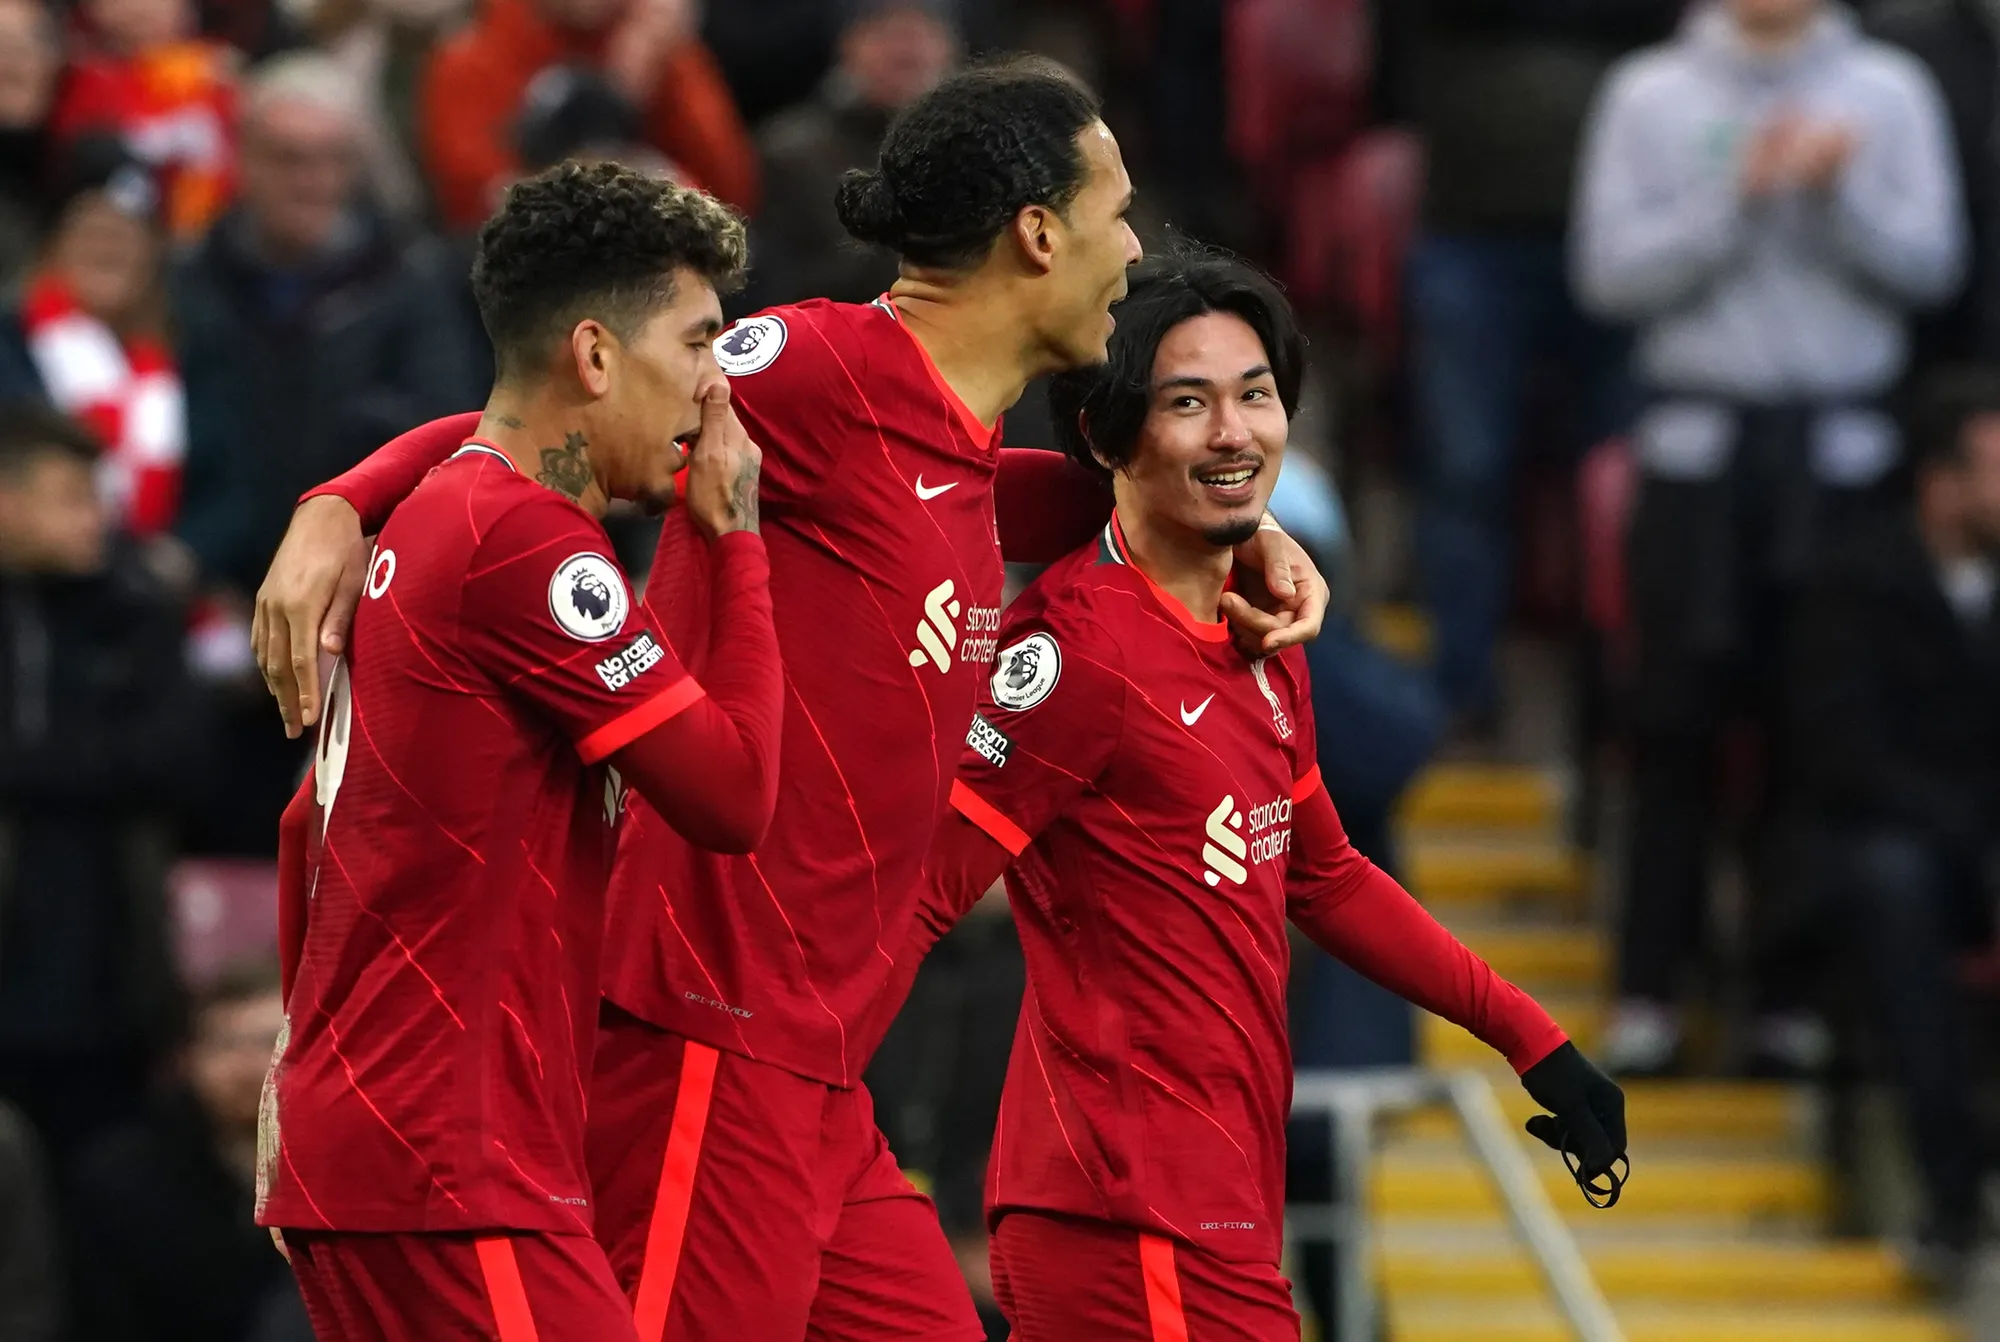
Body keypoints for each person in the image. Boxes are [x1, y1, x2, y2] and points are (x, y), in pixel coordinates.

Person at [251, 58, 1330, 1342]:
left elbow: (1031, 496)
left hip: (818, 1072)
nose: (1130, 249)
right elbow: (550, 402)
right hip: (698, 1032)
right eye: (1118, 213)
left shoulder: (959, 456)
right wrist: (344, 496)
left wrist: (1223, 523)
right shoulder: (820, 369)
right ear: (1039, 234)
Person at [877, 251, 1625, 1339]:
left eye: (1255, 394)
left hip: (1215, 1216)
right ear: (1104, 434)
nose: (1234, 432)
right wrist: (800, 1100)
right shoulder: (1076, 656)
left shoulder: (1264, 635)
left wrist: (1532, 1041)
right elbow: (921, 893)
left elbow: (1321, 874)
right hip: (1119, 1221)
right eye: (1187, 402)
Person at [254, 161, 782, 1340]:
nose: (716, 390)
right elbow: (734, 794)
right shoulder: (530, 549)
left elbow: (306, 827)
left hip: (387, 1147)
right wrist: (735, 541)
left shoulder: (452, 506)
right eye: (699, 343)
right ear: (596, 357)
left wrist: (308, 1075)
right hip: (454, 1163)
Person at [1573, 0, 1967, 1075]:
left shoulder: (1885, 91)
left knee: (1818, 732)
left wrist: (1837, 196)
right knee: (1672, 723)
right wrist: (1735, 193)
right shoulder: (1648, 93)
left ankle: (1784, 998)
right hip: (1697, 448)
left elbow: (1932, 266)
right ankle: (1649, 988)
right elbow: (1606, 275)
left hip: (1838, 455)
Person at [1384, 0, 1672, 740]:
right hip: (1471, 232)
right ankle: (1462, 690)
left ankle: (1615, 698)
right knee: (1466, 472)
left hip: (1626, 237)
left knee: (1620, 481)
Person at [1786, 365, 2000, 1285]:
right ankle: (1950, 1197)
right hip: (1889, 845)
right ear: (1941, 481)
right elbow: (1845, 758)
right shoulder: (1854, 581)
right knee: (1893, 882)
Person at [0, 402, 196, 1189]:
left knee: (100, 1191)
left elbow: (176, 761)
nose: (96, 520)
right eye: (70, 497)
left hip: (108, 976)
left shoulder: (134, 611)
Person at [70, 958, 304, 1342]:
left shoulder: (353, 1176)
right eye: (224, 1045)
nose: (246, 1067)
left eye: (269, 1043)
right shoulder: (124, 1177)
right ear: (189, 1059)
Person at [421, 0, 756, 232]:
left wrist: (659, 73)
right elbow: (486, 218)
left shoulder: (649, 37)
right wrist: (608, 97)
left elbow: (734, 192)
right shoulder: (469, 64)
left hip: (685, 261)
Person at [0, 138, 183, 538]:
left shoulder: (190, 352)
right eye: (94, 229)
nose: (110, 249)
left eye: (126, 234)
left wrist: (184, 556)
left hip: (155, 582)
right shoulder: (9, 342)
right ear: (54, 241)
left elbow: (223, 485)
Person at [744, 0, 958, 310]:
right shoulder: (791, 153)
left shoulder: (978, 150)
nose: (907, 49)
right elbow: (781, 285)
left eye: (923, 32)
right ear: (847, 44)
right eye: (888, 32)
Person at [54, 0, 238, 240]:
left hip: (215, 230)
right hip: (123, 235)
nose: (140, 7)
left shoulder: (219, 73)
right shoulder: (85, 79)